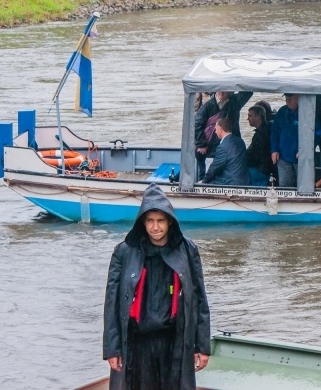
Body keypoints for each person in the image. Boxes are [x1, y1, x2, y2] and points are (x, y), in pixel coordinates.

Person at [103, 183, 211, 390]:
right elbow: (112, 303)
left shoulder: (188, 250)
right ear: (142, 222)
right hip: (136, 342)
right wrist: (112, 349)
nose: (155, 227)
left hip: (174, 340)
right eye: (150, 221)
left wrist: (202, 346)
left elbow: (199, 299)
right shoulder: (123, 252)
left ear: (169, 221)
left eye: (160, 221)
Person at [195, 91, 253, 181]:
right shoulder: (207, 105)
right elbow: (196, 124)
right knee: (207, 174)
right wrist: (202, 144)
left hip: (229, 144)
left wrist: (235, 84)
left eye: (225, 90)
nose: (222, 92)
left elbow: (248, 92)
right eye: (220, 90)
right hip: (209, 148)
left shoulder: (235, 101)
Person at [202, 118, 250, 186]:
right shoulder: (240, 141)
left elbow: (215, 167)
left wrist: (204, 181)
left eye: (216, 129)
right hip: (244, 181)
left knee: (207, 184)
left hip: (230, 182)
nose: (215, 132)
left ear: (220, 130)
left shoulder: (222, 147)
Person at [271, 93, 299, 187]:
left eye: (291, 99)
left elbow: (315, 134)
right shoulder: (282, 111)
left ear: (298, 98)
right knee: (284, 187)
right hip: (283, 157)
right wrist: (274, 150)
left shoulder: (306, 111)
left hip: (302, 158)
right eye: (286, 98)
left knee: (303, 187)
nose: (288, 101)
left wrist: (306, 150)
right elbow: (274, 132)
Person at [246, 105, 272, 186]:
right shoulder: (264, 130)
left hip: (261, 169)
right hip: (263, 168)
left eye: (250, 116)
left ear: (258, 117)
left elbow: (259, 153)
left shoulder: (263, 134)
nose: (247, 119)